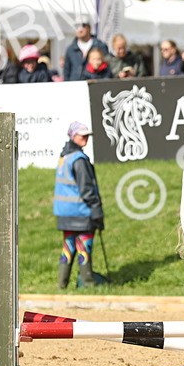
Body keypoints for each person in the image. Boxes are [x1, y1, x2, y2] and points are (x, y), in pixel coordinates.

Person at [53, 121, 105, 288]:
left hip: (64, 213)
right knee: (84, 246)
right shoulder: (79, 159)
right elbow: (87, 189)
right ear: (73, 136)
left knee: (68, 247)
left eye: (87, 135)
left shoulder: (64, 157)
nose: (86, 138)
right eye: (82, 135)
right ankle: (87, 283)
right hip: (81, 212)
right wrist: (97, 211)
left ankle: (62, 284)